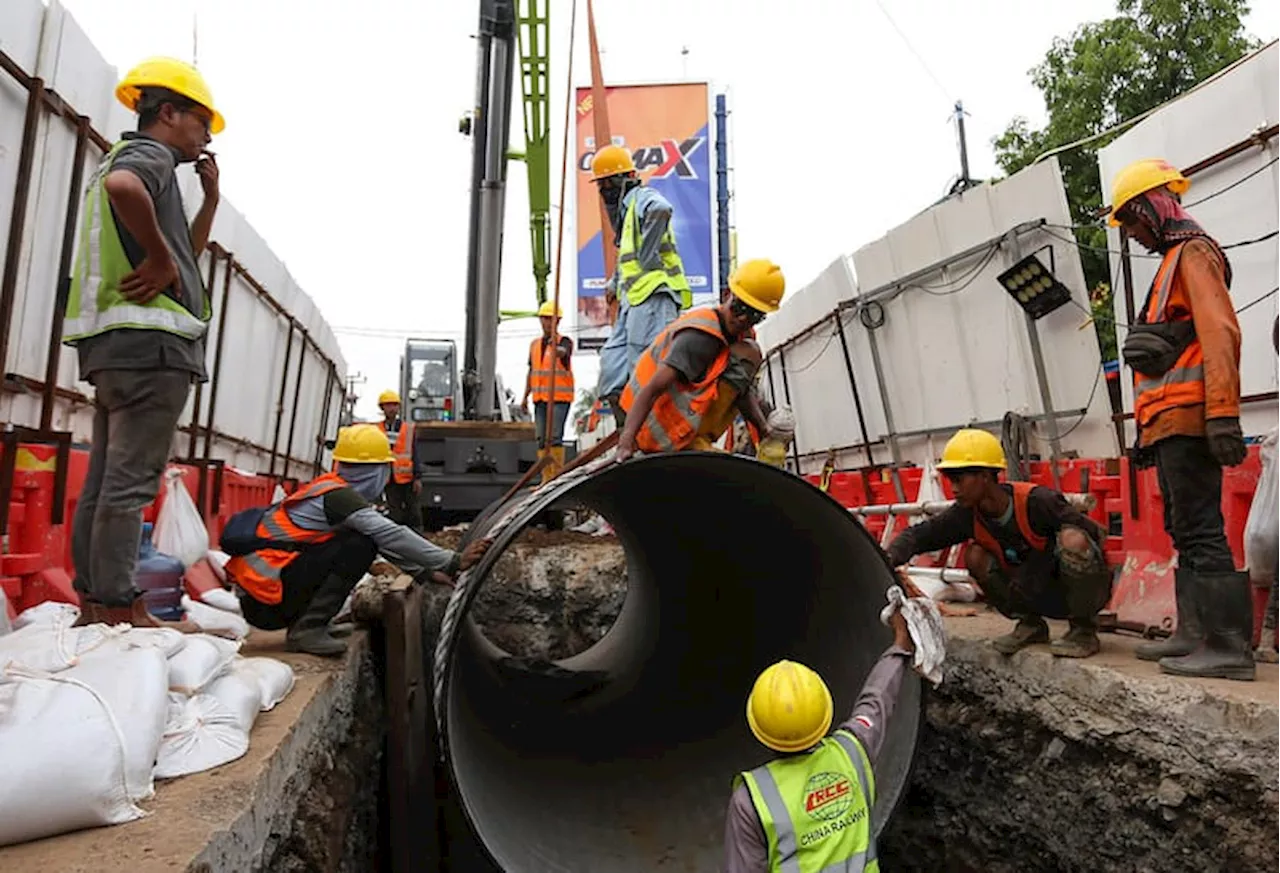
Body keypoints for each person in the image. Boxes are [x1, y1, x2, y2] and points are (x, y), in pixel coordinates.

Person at [66, 57, 223, 630]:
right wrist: (158, 258)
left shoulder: (135, 163)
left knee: (105, 481)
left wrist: (208, 202)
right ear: (168, 113)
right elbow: (125, 187)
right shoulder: (147, 158)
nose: (206, 135)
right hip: (152, 350)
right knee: (129, 485)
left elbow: (187, 257)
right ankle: (117, 606)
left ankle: (95, 599)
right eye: (201, 122)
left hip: (112, 349)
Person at [1109, 158, 1251, 681]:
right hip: (1169, 422)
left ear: (1152, 207)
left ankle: (1229, 646)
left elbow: (1220, 334)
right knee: (1183, 528)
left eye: (1134, 220)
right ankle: (1195, 632)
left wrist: (1223, 416)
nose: (1135, 234)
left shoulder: (1193, 253)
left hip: (1192, 418)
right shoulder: (1171, 261)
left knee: (1200, 527)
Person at [223, 425, 490, 656]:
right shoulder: (340, 497)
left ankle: (312, 624)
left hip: (266, 597)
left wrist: (425, 573)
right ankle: (307, 629)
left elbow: (383, 539)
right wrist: (452, 561)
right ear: (377, 470)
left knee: (362, 540)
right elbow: (391, 534)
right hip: (266, 604)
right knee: (359, 547)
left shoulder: (335, 488)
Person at [723, 603, 918, 872]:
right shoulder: (852, 751)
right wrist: (901, 644)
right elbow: (876, 701)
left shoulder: (752, 801)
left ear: (759, 731)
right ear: (824, 714)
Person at [885, 429, 1112, 658]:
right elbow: (919, 535)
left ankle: (1083, 630)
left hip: (1073, 592)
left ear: (984, 476)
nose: (953, 488)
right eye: (950, 480)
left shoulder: (1037, 502)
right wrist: (886, 558)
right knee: (974, 555)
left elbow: (1094, 535)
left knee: (1074, 540)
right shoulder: (965, 514)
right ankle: (1030, 625)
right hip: (1033, 591)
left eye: (959, 479)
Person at [615, 259, 784, 463]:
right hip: (653, 431)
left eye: (754, 315)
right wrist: (625, 443)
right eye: (739, 308)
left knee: (750, 352)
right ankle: (692, 441)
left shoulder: (742, 340)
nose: (743, 319)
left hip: (676, 429)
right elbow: (652, 389)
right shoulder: (699, 337)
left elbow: (743, 390)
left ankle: (697, 439)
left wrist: (764, 430)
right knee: (749, 353)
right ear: (726, 296)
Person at [590, 145, 692, 427]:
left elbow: (661, 210)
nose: (603, 190)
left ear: (619, 180)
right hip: (633, 301)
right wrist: (614, 283)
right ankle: (630, 427)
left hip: (655, 297)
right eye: (601, 184)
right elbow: (629, 259)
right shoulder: (626, 216)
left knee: (645, 369)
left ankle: (652, 431)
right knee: (612, 370)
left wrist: (648, 255)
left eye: (605, 183)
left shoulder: (642, 197)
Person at [522, 301, 574, 448]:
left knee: (555, 438)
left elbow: (562, 353)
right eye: (544, 318)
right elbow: (531, 372)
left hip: (559, 399)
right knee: (541, 440)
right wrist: (525, 397)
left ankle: (554, 470)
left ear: (558, 321)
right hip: (540, 399)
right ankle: (544, 470)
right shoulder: (534, 345)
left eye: (550, 318)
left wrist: (555, 347)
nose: (547, 322)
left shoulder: (564, 341)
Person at [375, 389, 417, 529]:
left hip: (407, 478)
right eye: (388, 405)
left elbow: (415, 453)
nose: (392, 408)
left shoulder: (408, 428)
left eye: (394, 405)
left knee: (414, 512)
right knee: (395, 514)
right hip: (388, 478)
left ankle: (416, 537)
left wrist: (418, 478)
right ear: (382, 408)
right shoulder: (377, 429)